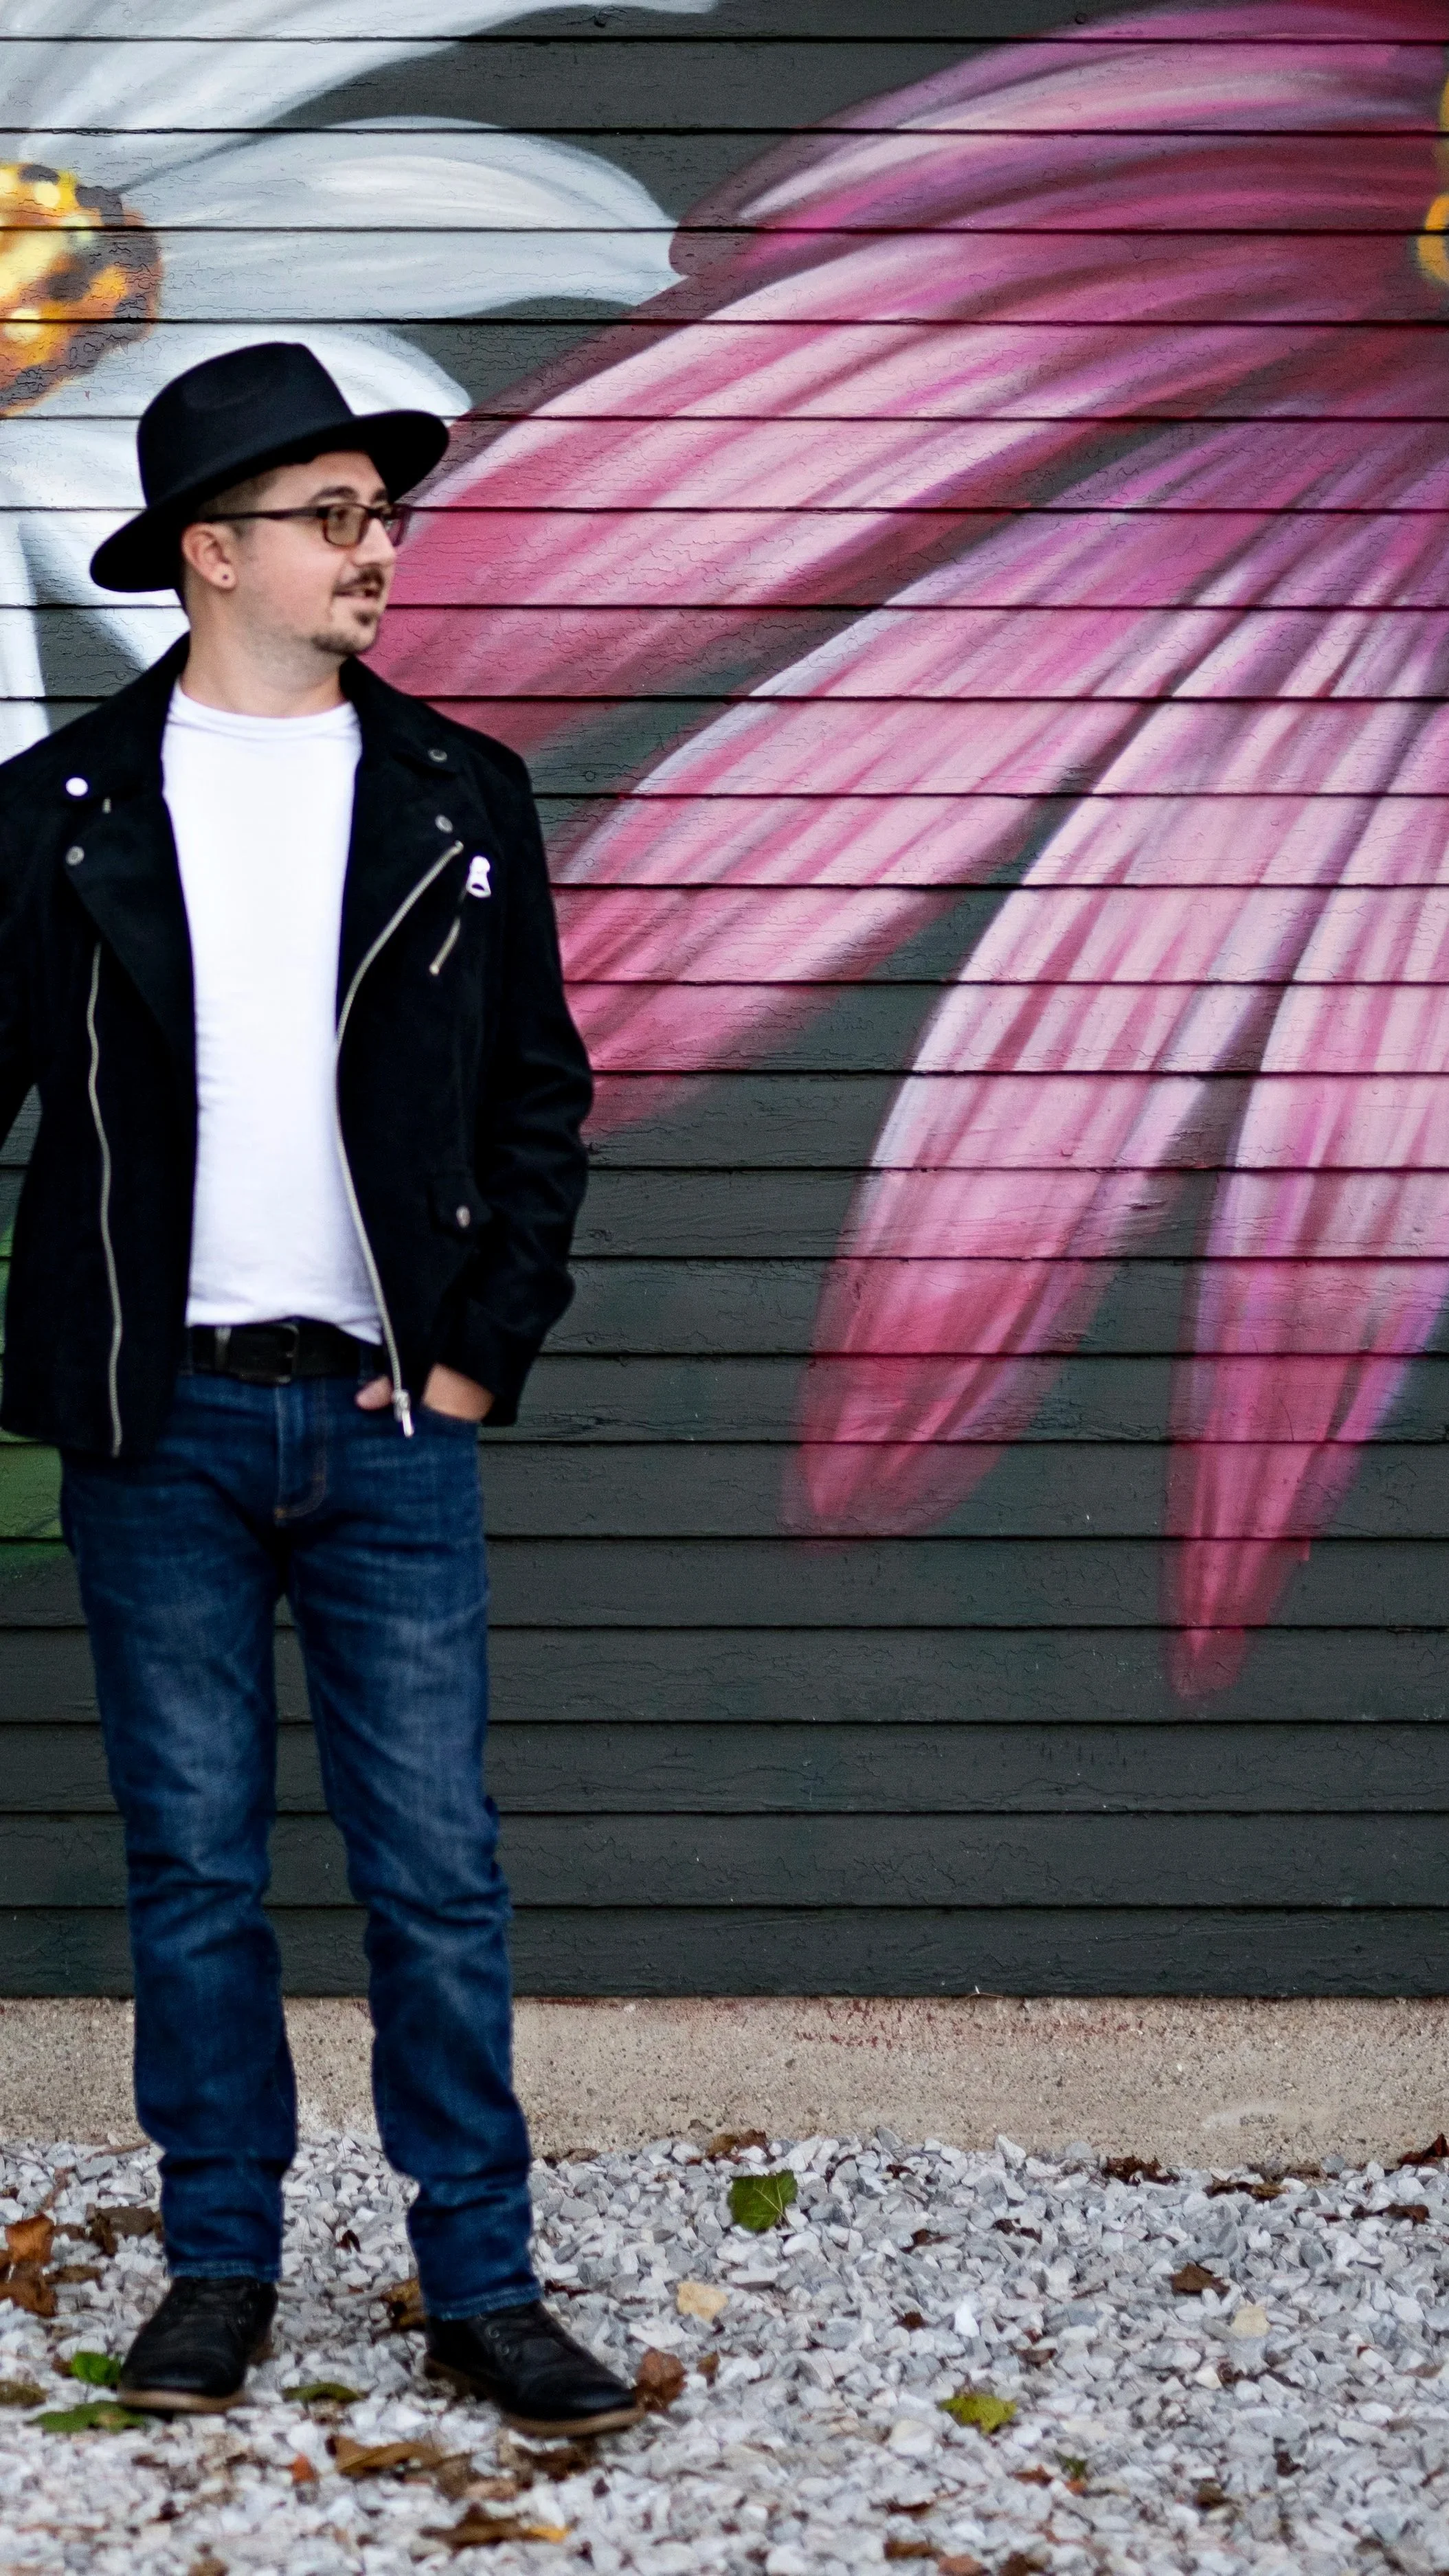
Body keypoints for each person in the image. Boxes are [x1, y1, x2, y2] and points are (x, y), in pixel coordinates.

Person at [0, 340, 636, 2434]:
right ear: (211, 554)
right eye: (333, 519)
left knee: (431, 1867)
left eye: (384, 517)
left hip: (386, 1423)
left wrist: (472, 1355)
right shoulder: (62, 809)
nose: (378, 552)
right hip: (155, 1424)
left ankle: (480, 2275)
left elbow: (544, 1098)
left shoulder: (456, 792)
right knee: (190, 1861)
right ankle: (219, 2265)